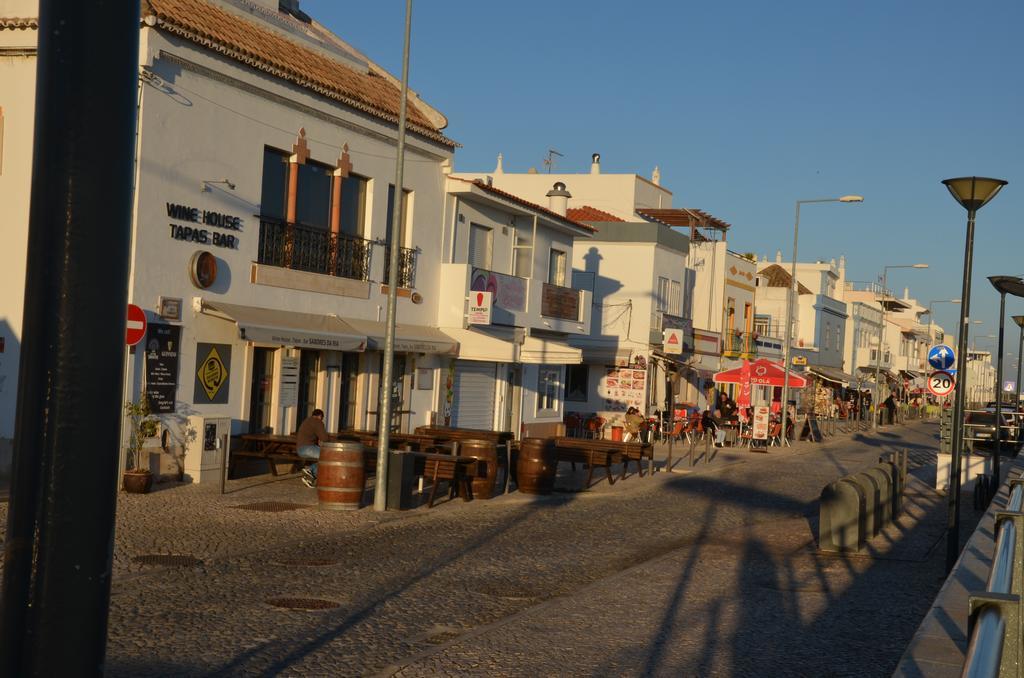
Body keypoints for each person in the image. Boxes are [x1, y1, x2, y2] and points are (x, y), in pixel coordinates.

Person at [296, 408, 328, 488]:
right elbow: (325, 438)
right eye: (322, 418)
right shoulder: (317, 422)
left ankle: (309, 479)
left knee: (325, 457)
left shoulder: (307, 421)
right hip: (308, 448)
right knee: (329, 456)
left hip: (300, 449)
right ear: (320, 416)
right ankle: (311, 470)